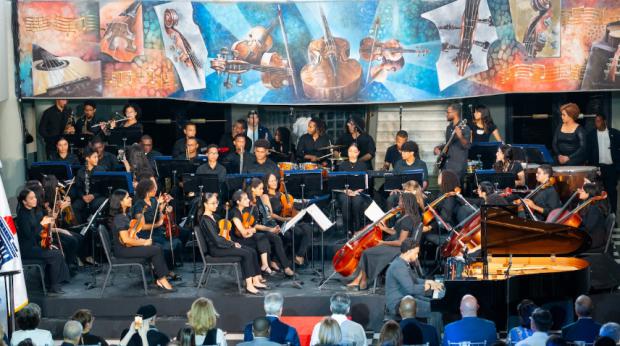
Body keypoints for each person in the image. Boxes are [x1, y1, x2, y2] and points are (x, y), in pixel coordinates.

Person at [347, 191, 426, 291]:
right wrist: (385, 229)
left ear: (406, 203)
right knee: (369, 250)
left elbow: (400, 242)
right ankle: (361, 279)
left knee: (367, 252)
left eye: (401, 201)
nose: (398, 202)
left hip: (399, 249)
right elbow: (397, 233)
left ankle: (363, 281)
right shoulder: (410, 216)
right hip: (401, 246)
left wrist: (383, 243)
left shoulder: (407, 219)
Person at [198, 192, 267, 294]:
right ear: (205, 204)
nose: (216, 205)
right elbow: (216, 240)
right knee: (246, 253)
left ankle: (256, 280)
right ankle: (249, 285)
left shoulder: (214, 216)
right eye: (213, 203)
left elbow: (222, 235)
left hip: (222, 245)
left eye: (216, 202)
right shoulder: (205, 220)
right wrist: (232, 244)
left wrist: (231, 242)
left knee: (252, 250)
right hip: (216, 249)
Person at [108, 189, 175, 291]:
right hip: (123, 250)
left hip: (127, 247)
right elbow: (126, 240)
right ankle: (162, 279)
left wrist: (140, 240)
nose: (130, 198)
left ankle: (160, 278)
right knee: (155, 249)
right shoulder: (120, 218)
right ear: (120, 202)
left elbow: (130, 236)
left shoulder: (126, 215)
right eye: (127, 197)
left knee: (157, 246)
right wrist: (144, 242)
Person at [15, 189, 70, 295]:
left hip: (34, 246)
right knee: (56, 255)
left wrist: (47, 243)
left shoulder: (31, 211)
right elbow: (29, 236)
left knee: (57, 250)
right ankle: (53, 287)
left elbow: (38, 233)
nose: (35, 199)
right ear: (24, 202)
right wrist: (43, 223)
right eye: (31, 198)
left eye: (35, 197)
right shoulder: (22, 216)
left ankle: (52, 284)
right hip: (27, 249)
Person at [131, 178, 183, 272]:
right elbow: (142, 226)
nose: (155, 190)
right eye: (153, 188)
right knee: (167, 247)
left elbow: (159, 214)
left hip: (158, 232)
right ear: (147, 191)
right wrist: (158, 224)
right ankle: (163, 271)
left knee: (177, 242)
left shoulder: (153, 201)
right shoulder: (139, 205)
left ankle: (169, 266)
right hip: (146, 235)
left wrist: (164, 210)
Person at [385, 239, 444, 320]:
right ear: (409, 251)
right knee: (435, 309)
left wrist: (429, 281)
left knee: (435, 303)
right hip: (398, 304)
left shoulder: (403, 263)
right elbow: (411, 289)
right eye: (416, 253)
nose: (417, 256)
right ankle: (434, 332)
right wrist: (430, 286)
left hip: (406, 297)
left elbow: (413, 280)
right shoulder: (399, 266)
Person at [246, 178, 294, 276]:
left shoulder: (259, 199)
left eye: (262, 188)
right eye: (260, 189)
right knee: (276, 238)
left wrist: (273, 226)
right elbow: (254, 224)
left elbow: (265, 217)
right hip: (255, 230)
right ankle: (286, 267)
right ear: (252, 189)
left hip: (263, 226)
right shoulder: (248, 202)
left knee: (284, 234)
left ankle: (274, 261)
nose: (262, 191)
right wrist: (270, 229)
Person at [263, 173, 313, 265]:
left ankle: (299, 255)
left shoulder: (282, 194)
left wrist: (297, 210)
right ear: (266, 183)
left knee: (308, 227)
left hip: (289, 220)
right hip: (279, 222)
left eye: (275, 180)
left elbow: (290, 211)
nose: (274, 183)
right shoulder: (266, 196)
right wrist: (284, 219)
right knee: (297, 232)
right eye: (271, 181)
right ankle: (290, 258)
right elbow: (270, 214)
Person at [230, 190, 273, 275]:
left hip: (243, 237)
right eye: (245, 199)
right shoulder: (235, 213)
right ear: (238, 202)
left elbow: (248, 230)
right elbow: (243, 233)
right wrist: (252, 230)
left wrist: (251, 231)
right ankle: (261, 270)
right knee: (261, 240)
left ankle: (264, 266)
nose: (248, 200)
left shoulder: (243, 211)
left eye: (247, 199)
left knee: (262, 237)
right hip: (236, 240)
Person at [586, 113, 620, 214]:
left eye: (599, 121)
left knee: (612, 192)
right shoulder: (591, 135)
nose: (597, 123)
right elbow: (588, 152)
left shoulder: (615, 133)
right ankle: (601, 214)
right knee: (598, 192)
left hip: (611, 168)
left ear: (605, 121)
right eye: (595, 121)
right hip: (598, 169)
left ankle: (613, 214)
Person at [337, 143, 372, 234]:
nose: (352, 153)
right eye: (350, 151)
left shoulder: (363, 165)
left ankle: (357, 228)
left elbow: (366, 182)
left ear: (358, 153)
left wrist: (358, 191)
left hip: (358, 191)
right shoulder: (342, 165)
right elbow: (339, 182)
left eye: (354, 151)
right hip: (345, 191)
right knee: (346, 201)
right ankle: (347, 229)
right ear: (347, 152)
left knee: (357, 201)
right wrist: (346, 191)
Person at [71, 147, 106, 223]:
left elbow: (103, 188)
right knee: (75, 207)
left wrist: (93, 196)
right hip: (84, 197)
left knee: (94, 205)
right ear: (87, 158)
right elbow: (78, 187)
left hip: (97, 196)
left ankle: (93, 227)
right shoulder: (80, 172)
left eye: (97, 157)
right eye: (94, 157)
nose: (97, 159)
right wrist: (83, 196)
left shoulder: (101, 170)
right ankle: (79, 227)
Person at [436, 103, 471, 178]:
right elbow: (449, 144)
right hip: (447, 164)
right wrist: (439, 148)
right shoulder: (449, 127)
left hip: (458, 166)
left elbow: (467, 145)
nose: (446, 114)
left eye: (448, 112)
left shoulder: (465, 128)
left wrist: (460, 136)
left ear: (455, 113)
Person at [577, 183, 610, 252]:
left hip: (593, 240)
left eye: (582, 191)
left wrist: (573, 230)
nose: (579, 191)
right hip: (590, 237)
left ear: (588, 194)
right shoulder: (587, 205)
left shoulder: (593, 209)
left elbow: (588, 228)